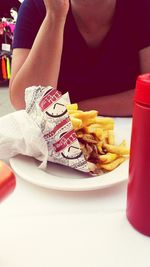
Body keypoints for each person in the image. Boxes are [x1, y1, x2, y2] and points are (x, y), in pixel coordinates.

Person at [9, 0, 150, 116]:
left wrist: (75, 108)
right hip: (57, 142)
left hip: (130, 138)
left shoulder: (141, 6)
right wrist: (55, 15)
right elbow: (25, 102)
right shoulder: (36, 7)